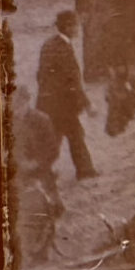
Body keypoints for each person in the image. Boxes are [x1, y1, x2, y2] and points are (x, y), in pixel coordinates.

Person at [34, 11, 94, 180]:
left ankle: (44, 172)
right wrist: (87, 104)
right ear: (67, 27)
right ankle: (85, 171)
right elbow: (72, 82)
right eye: (75, 25)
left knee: (56, 140)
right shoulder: (63, 49)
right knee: (74, 135)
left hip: (48, 103)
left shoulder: (49, 45)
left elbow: (40, 76)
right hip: (62, 106)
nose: (78, 28)